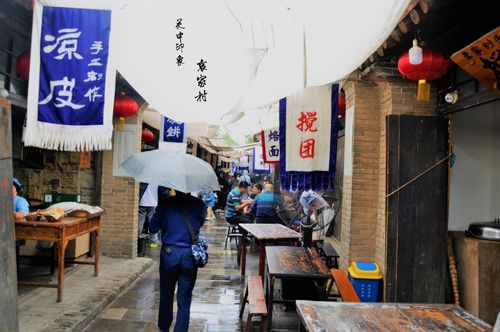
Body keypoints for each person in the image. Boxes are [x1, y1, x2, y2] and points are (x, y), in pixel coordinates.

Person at [149, 190, 206, 332]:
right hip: (189, 255)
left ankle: (163, 328)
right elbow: (200, 223)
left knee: (166, 294)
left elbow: (152, 227)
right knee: (184, 298)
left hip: (169, 254)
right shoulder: (199, 204)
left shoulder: (166, 204)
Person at [138, 183, 160, 255]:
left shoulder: (143, 178)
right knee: (152, 222)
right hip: (153, 202)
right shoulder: (156, 178)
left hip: (142, 202)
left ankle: (138, 239)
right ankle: (153, 241)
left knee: (140, 221)